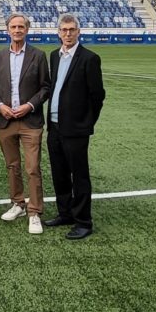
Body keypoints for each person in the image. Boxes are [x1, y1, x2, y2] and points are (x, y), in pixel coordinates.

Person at [0, 12, 50, 235]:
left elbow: (45, 87)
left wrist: (30, 106)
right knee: (12, 165)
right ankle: (18, 204)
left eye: (21, 27)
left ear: (27, 30)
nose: (17, 30)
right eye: (13, 27)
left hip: (30, 121)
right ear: (7, 30)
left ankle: (34, 212)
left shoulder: (38, 56)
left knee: (32, 167)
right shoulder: (0, 56)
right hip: (5, 120)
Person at [45, 13, 106, 240]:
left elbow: (97, 96)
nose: (68, 33)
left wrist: (86, 122)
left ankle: (83, 221)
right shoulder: (54, 56)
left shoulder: (89, 58)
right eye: (64, 30)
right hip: (54, 126)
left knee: (79, 175)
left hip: (76, 129)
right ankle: (65, 213)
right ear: (58, 32)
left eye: (72, 30)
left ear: (78, 32)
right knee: (59, 173)